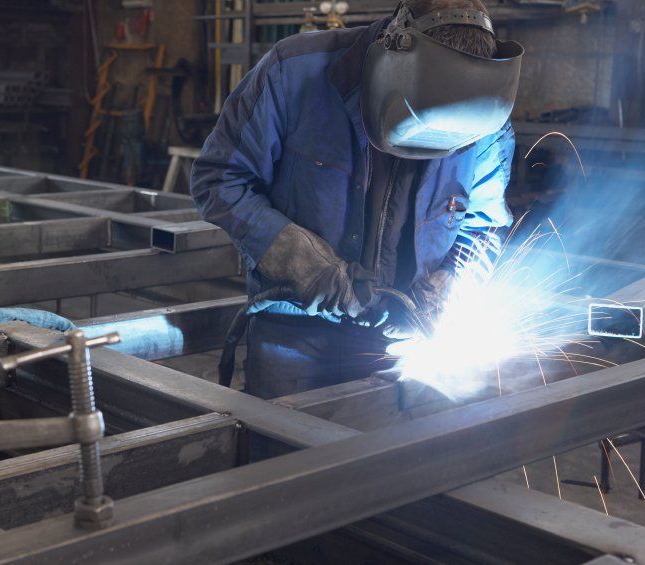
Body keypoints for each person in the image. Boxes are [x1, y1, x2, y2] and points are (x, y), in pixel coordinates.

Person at [190, 0, 523, 399]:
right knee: (286, 458)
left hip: (406, 342)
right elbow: (220, 177)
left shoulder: (484, 117)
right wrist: (301, 262)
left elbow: (484, 225)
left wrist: (448, 286)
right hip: (295, 335)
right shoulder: (293, 72)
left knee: (402, 461)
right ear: (396, 54)